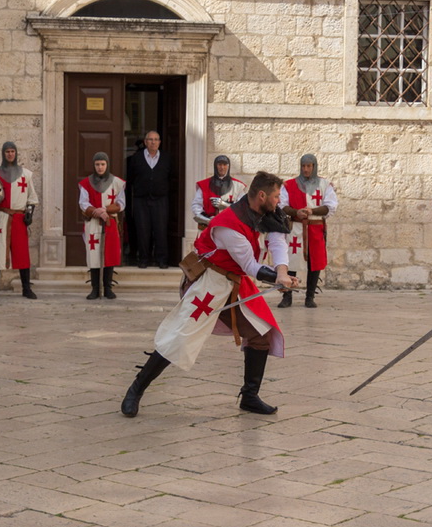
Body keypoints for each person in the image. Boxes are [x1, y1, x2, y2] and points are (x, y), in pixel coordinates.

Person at [120, 171, 299, 418]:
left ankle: (249, 397)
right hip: (210, 282)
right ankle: (136, 389)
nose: (279, 201)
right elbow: (250, 265)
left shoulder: (263, 211)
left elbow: (278, 240)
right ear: (261, 195)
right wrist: (278, 277)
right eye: (276, 196)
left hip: (236, 283)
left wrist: (281, 271)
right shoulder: (229, 224)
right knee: (180, 337)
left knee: (261, 334)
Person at [0, 141, 39, 299]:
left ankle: (26, 289)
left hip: (18, 218)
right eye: (7, 152)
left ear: (16, 153)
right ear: (3, 154)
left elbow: (32, 198)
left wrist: (29, 213)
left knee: (21, 252)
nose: (10, 154)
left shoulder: (25, 174)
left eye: (12, 151)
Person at [279, 153, 338, 308]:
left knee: (315, 262)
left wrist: (312, 211)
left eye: (309, 166)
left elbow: (330, 206)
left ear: (314, 166)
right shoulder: (289, 185)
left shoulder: (325, 184)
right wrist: (295, 212)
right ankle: (287, 296)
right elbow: (282, 205)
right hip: (296, 228)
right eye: (303, 166)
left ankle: (310, 297)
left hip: (315, 228)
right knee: (291, 262)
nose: (306, 169)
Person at [79, 152, 126, 300]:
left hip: (110, 223)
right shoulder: (86, 183)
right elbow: (83, 203)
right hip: (93, 223)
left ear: (107, 165)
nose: (100, 167)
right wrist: (98, 212)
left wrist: (105, 210)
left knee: (109, 255)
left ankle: (107, 288)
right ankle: (95, 289)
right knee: (93, 255)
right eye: (97, 164)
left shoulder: (117, 182)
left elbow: (121, 203)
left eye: (103, 164)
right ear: (94, 165)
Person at [127, 130, 173, 268]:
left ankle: (161, 259)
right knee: (142, 229)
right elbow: (131, 178)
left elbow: (171, 177)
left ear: (159, 142)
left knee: (160, 229)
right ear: (145, 142)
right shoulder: (136, 158)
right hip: (141, 200)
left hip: (160, 199)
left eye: (156, 139)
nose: (153, 142)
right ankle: (143, 259)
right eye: (150, 139)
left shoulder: (166, 158)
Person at [191, 155, 247, 228]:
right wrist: (206, 219)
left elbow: (243, 207)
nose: (222, 167)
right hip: (207, 227)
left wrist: (224, 204)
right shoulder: (204, 185)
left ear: (228, 166)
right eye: (219, 164)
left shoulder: (238, 186)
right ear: (215, 166)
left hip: (228, 227)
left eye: (224, 165)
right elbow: (196, 205)